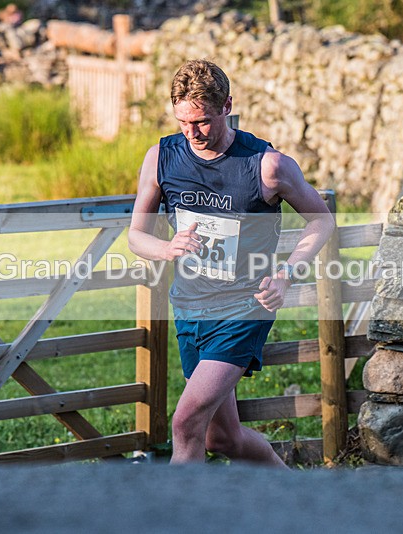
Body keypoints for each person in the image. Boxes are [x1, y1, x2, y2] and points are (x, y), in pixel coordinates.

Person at [128, 59, 335, 466]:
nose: (192, 133)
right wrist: (166, 249)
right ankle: (294, 501)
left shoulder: (268, 166)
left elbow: (322, 220)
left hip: (243, 308)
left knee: (186, 424)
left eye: (202, 121)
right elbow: (136, 236)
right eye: (183, 122)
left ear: (227, 106)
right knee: (222, 438)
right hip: (189, 307)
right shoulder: (160, 158)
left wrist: (288, 273)